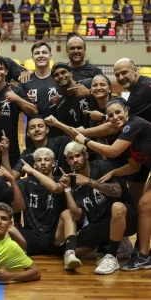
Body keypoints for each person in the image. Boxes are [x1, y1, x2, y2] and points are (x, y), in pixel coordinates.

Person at [72, 99, 151, 270]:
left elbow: (113, 151)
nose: (115, 117)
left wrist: (85, 140)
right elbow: (134, 166)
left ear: (127, 111)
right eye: (110, 115)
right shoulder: (125, 135)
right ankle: (144, 256)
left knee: (145, 205)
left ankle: (143, 255)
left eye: (118, 112)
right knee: (145, 206)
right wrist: (114, 172)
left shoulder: (134, 124)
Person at [56, 141, 137, 273]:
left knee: (117, 207)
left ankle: (111, 255)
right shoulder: (74, 182)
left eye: (77, 156)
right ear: (68, 162)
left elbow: (117, 191)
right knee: (70, 249)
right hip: (101, 224)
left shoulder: (103, 166)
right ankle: (116, 243)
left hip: (126, 218)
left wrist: (89, 182)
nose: (75, 160)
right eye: (71, 158)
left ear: (86, 155)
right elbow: (76, 213)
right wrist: (67, 189)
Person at [0, 57, 37, 168]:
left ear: (6, 72)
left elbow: (34, 112)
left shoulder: (16, 91)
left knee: (10, 182)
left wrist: (17, 99)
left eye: (1, 68)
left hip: (10, 147)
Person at [9, 148, 66, 256]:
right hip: (31, 234)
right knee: (7, 228)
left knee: (68, 217)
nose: (43, 162)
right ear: (35, 164)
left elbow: (54, 187)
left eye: (46, 160)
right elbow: (8, 181)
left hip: (53, 235)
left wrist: (31, 171)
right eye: (39, 160)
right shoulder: (26, 183)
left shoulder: (61, 180)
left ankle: (69, 252)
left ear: (53, 163)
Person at [3, 116, 71, 180]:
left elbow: (78, 137)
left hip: (62, 187)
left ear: (47, 130)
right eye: (32, 128)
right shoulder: (27, 154)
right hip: (37, 191)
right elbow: (11, 177)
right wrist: (4, 152)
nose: (37, 130)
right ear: (28, 133)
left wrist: (57, 123)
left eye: (40, 126)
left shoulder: (61, 142)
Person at [19, 41, 60, 140]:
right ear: (32, 57)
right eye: (37, 53)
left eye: (44, 52)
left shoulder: (59, 79)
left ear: (50, 55)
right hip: (34, 136)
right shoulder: (25, 81)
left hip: (58, 135)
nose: (41, 55)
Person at [51, 62, 91, 129]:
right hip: (82, 137)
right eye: (56, 75)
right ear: (54, 79)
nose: (60, 76)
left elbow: (108, 92)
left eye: (63, 72)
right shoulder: (61, 107)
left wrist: (89, 91)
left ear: (71, 73)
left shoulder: (88, 84)